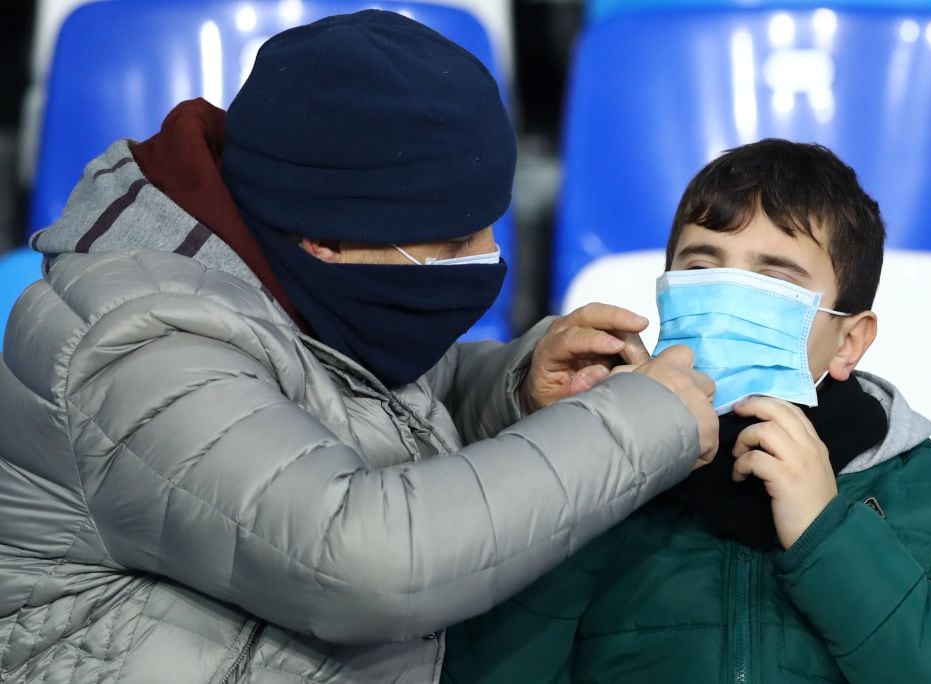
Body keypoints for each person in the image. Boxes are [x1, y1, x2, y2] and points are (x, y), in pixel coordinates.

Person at [0, 11, 720, 683]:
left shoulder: (293, 276)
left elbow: (378, 405)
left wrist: (518, 387)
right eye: (455, 243)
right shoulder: (134, 344)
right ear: (329, 238)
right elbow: (366, 562)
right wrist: (637, 423)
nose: (489, 258)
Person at [443, 139, 931, 683]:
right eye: (701, 268)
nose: (727, 294)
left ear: (849, 341)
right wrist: (590, 471)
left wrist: (828, 532)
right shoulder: (598, 471)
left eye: (774, 278)